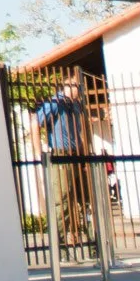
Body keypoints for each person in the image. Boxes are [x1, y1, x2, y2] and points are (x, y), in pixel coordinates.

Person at [34, 76, 94, 245]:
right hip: (61, 154)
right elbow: (35, 123)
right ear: (69, 86)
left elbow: (79, 134)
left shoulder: (75, 106)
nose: (81, 91)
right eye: (79, 88)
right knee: (63, 201)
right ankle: (59, 244)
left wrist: (84, 158)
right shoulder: (55, 103)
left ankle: (92, 242)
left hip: (77, 153)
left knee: (86, 199)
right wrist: (40, 153)